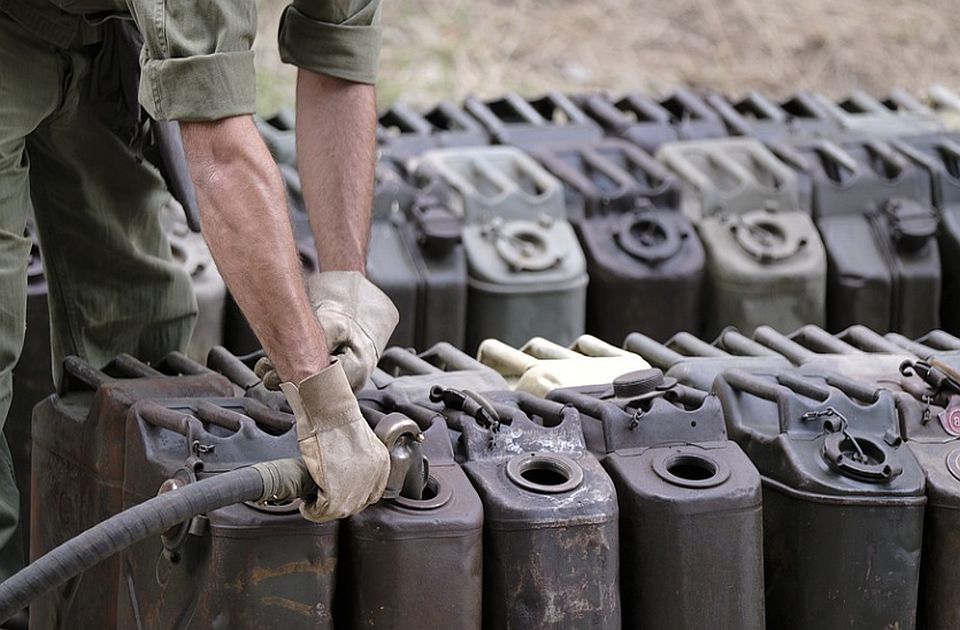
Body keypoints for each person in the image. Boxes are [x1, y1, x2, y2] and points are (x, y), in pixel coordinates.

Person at [0, 0, 398, 590]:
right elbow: (219, 151)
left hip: (106, 33)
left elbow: (336, 57)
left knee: (140, 339)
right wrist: (321, 398)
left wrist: (344, 283)